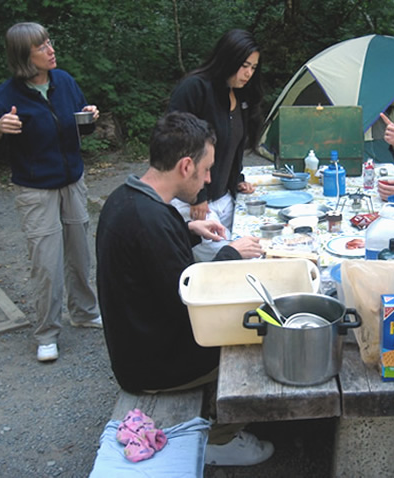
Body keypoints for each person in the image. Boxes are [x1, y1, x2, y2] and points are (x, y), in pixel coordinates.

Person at [96, 111, 272, 466]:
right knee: (260, 339)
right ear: (186, 165)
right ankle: (219, 440)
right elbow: (192, 299)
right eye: (206, 170)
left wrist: (188, 231)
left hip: (139, 341)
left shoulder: (128, 197)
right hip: (153, 365)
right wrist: (230, 254)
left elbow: (154, 263)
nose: (209, 178)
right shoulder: (150, 222)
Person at [0, 22, 102, 363]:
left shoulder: (64, 81)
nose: (50, 50)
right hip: (36, 190)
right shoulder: (7, 96)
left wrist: (90, 115)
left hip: (72, 182)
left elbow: (79, 126)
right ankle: (47, 333)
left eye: (49, 42)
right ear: (24, 56)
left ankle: (84, 311)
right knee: (47, 263)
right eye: (41, 46)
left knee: (80, 252)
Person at [168, 29, 263, 261]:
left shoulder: (239, 95)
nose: (248, 73)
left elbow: (234, 146)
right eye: (244, 65)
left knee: (259, 245)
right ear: (228, 58)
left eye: (253, 67)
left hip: (224, 198)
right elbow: (174, 144)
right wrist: (198, 196)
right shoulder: (195, 88)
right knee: (233, 262)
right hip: (193, 203)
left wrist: (237, 180)